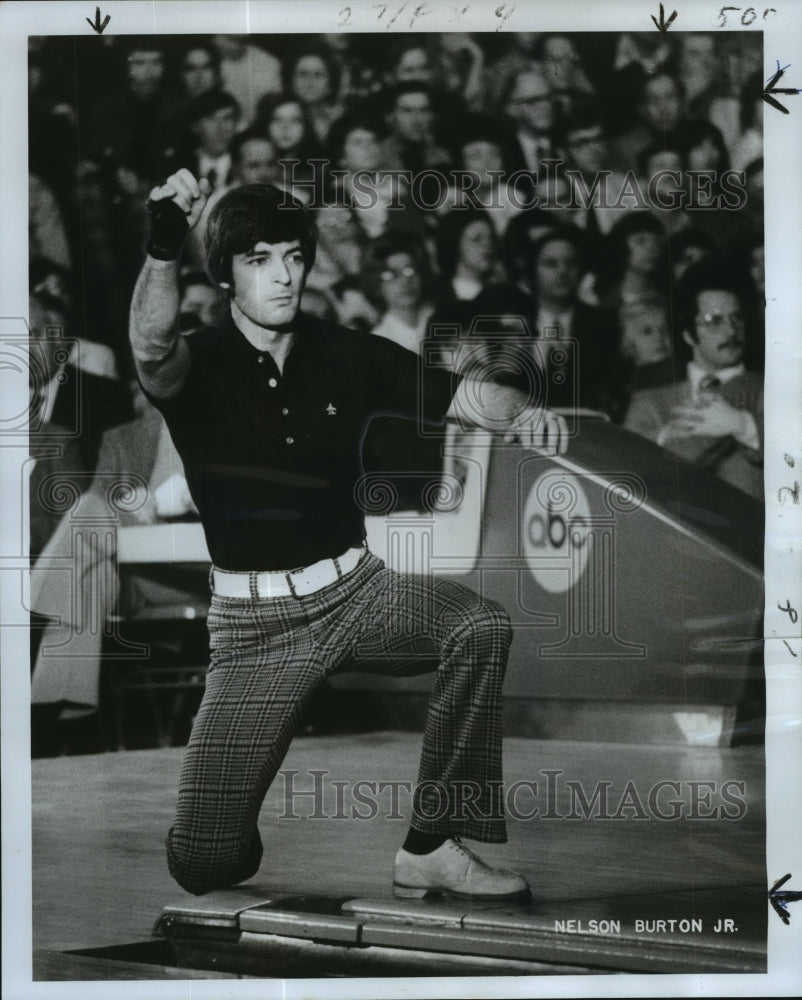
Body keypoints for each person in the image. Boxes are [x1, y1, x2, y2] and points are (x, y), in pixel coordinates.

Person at [129, 171, 569, 898]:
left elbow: (462, 392)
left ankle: (431, 844)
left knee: (478, 627)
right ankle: (223, 806)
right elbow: (149, 347)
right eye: (258, 259)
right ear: (229, 275)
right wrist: (162, 244)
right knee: (205, 866)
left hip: (356, 593)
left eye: (293, 256)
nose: (282, 275)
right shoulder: (197, 364)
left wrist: (519, 412)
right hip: (253, 627)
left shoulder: (344, 351)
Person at [624, 261, 763, 498]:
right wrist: (664, 437)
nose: (731, 331)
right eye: (714, 321)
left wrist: (745, 427)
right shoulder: (649, 401)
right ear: (688, 334)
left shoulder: (769, 391)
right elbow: (622, 469)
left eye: (737, 318)